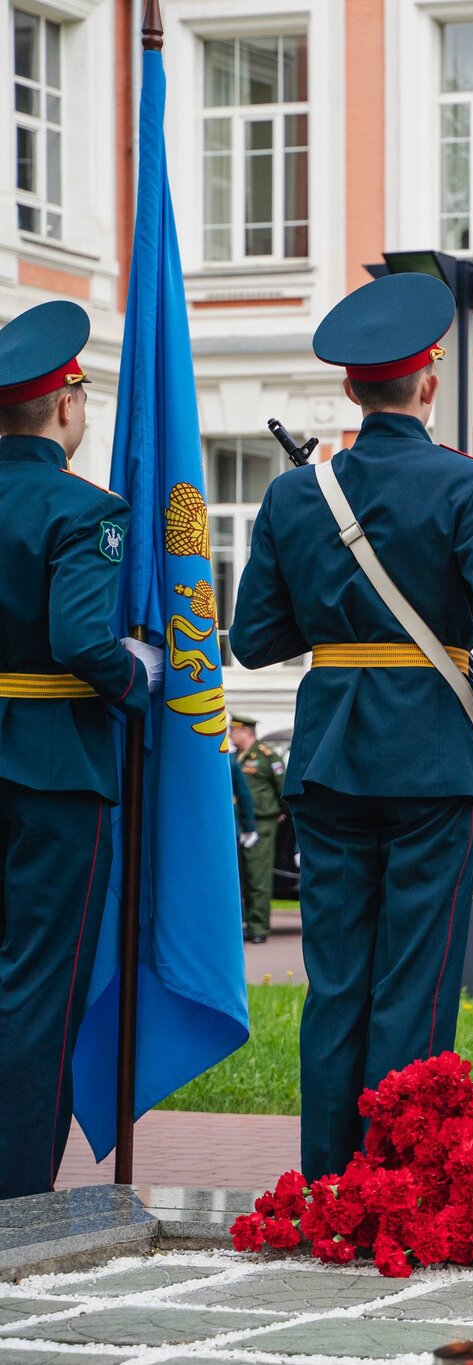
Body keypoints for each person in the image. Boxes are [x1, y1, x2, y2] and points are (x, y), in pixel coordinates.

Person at [230, 272, 473, 1179]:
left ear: (351, 387)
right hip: (433, 756)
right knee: (417, 980)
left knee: (336, 984)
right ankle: (398, 1181)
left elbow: (254, 639)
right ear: (428, 381)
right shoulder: (469, 484)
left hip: (327, 756)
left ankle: (329, 1182)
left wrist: (337, 602)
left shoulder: (297, 497)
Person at [0, 300, 163, 1198]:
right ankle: (17, 1191)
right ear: (65, 405)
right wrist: (136, 676)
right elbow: (77, 638)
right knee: (39, 988)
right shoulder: (85, 508)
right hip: (56, 767)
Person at [230, 714, 287, 944]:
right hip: (239, 822)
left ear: (246, 731)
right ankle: (243, 922)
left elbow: (283, 787)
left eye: (234, 730)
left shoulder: (266, 756)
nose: (230, 734)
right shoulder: (235, 757)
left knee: (258, 876)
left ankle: (258, 927)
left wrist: (281, 811)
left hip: (262, 822)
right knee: (240, 875)